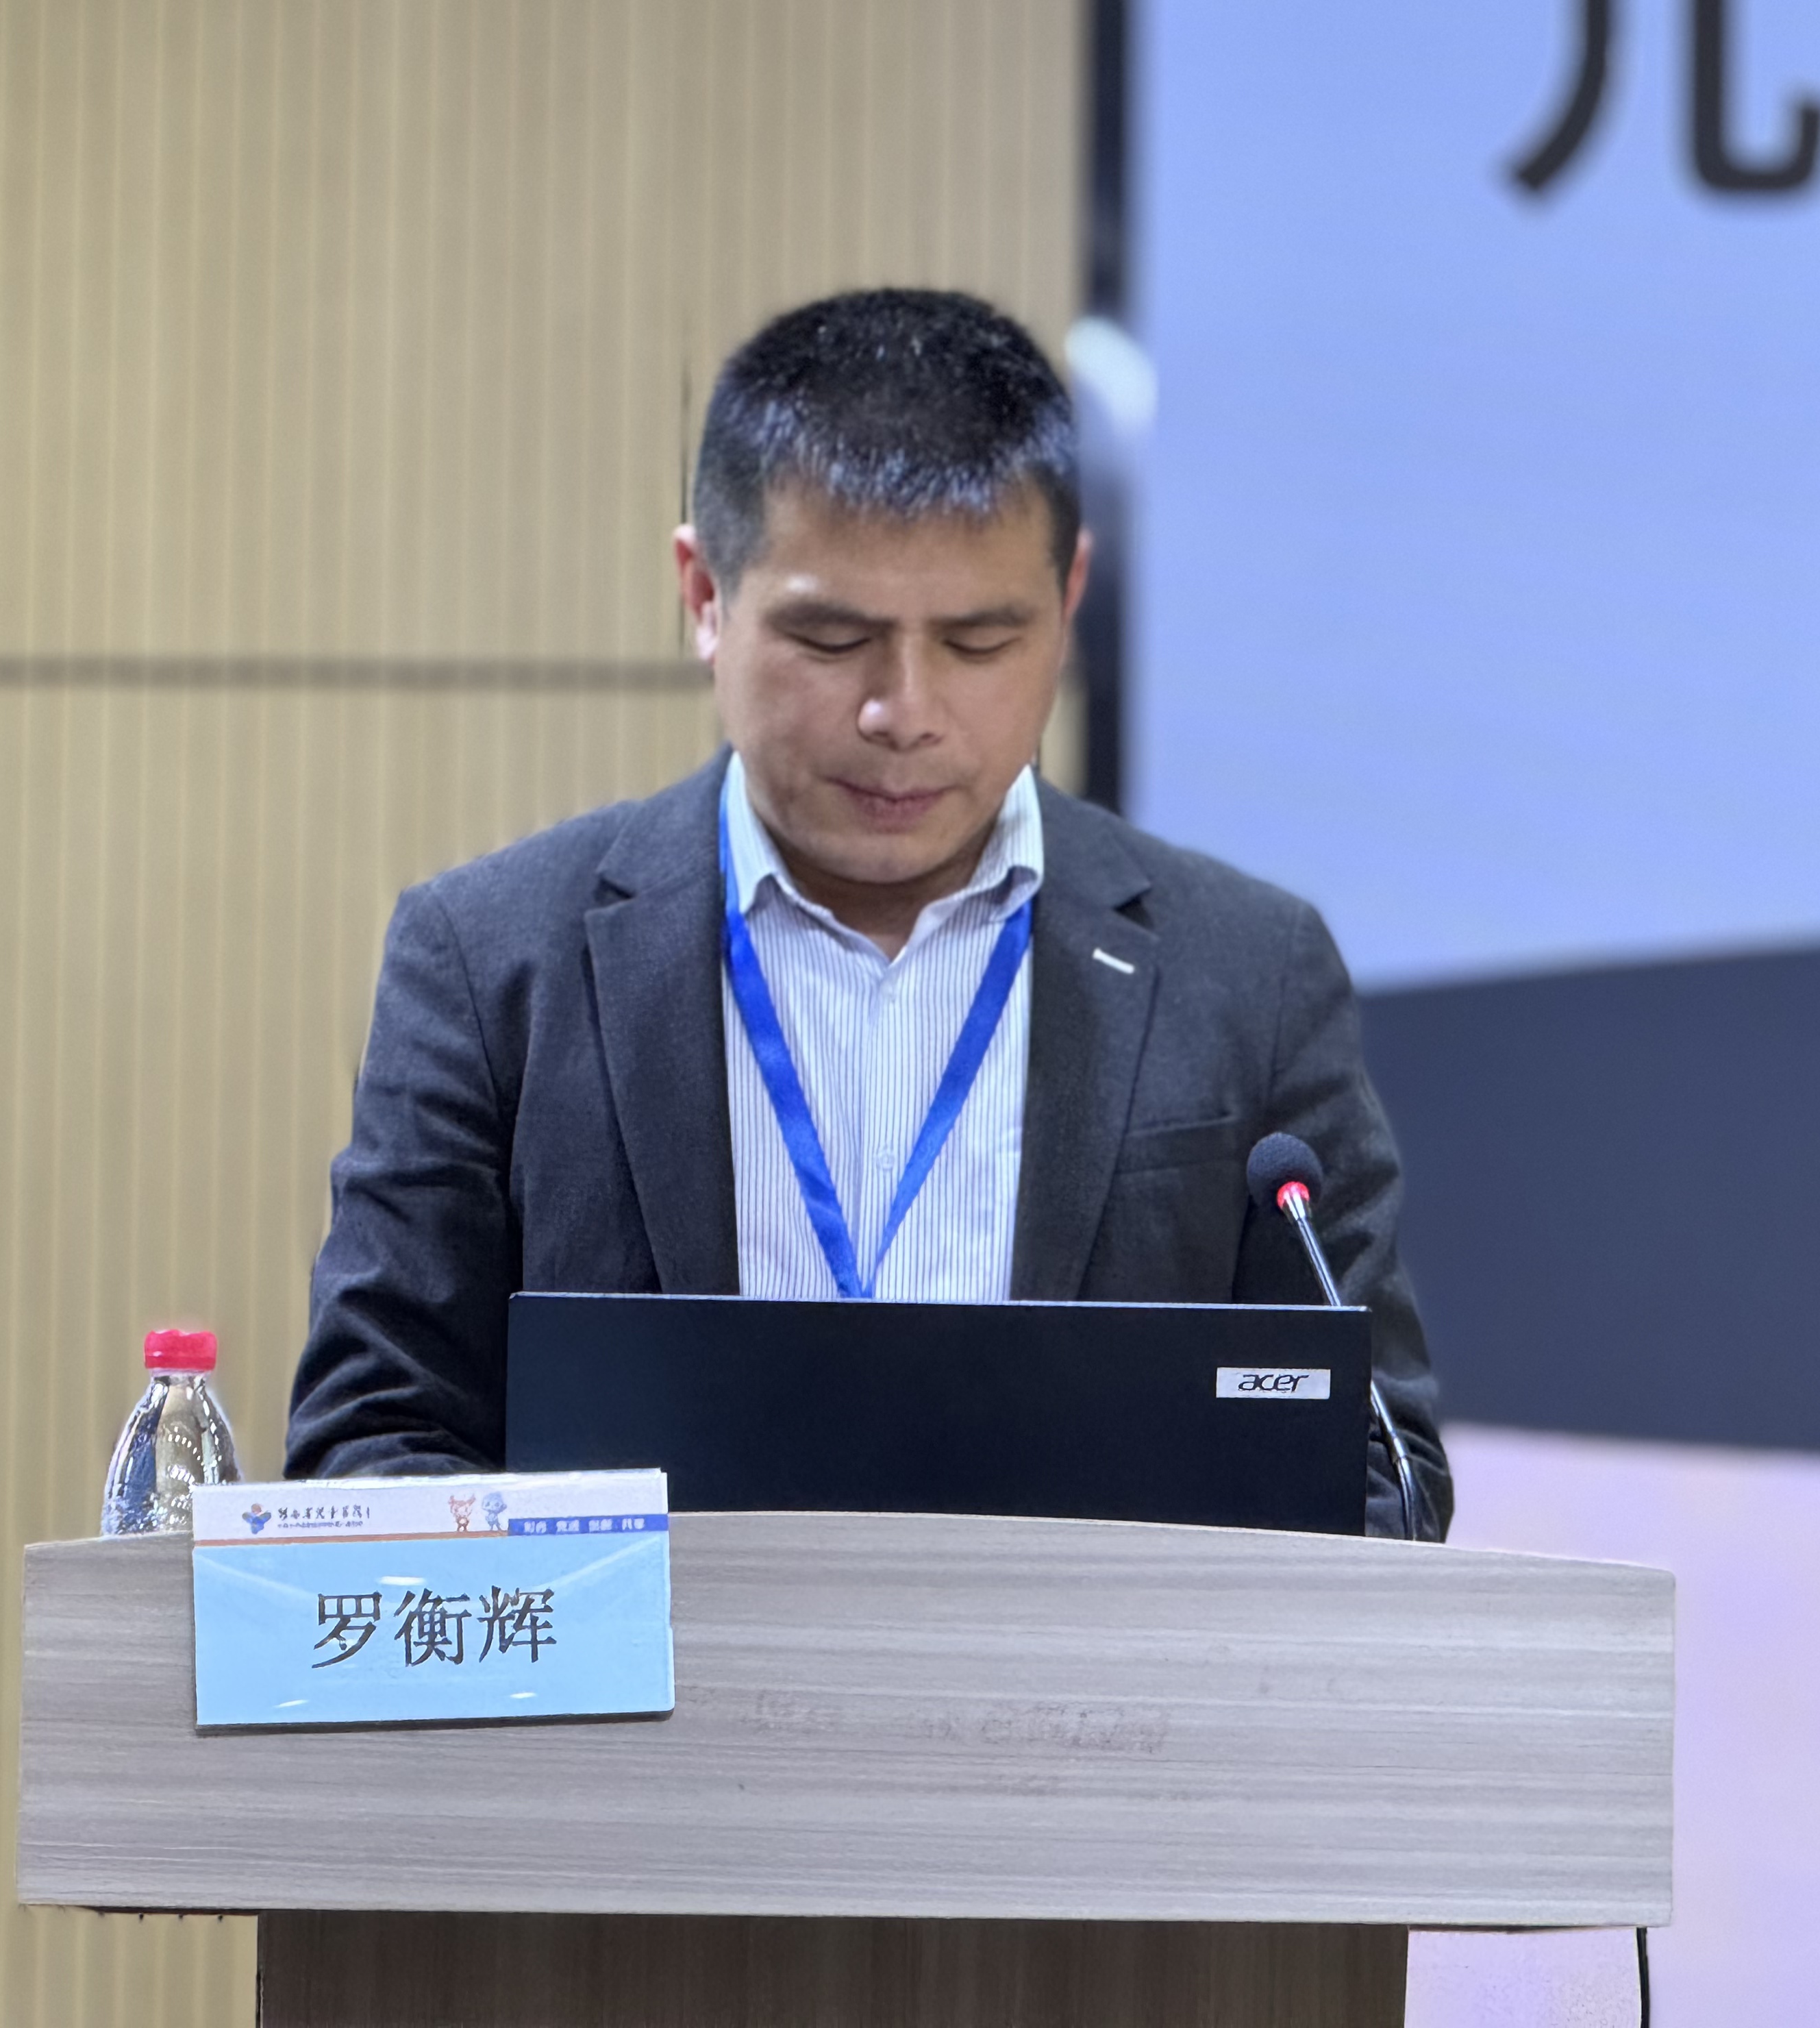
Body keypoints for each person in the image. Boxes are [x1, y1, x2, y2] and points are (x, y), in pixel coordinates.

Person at [285, 288, 1452, 1538]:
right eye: (834, 639)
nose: (904, 713)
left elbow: (1378, 1471)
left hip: (1092, 1671)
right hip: (654, 1667)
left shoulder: (1250, 974)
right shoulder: (490, 963)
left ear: (1069, 601)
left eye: (978, 643)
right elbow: (371, 1442)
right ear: (704, 595)